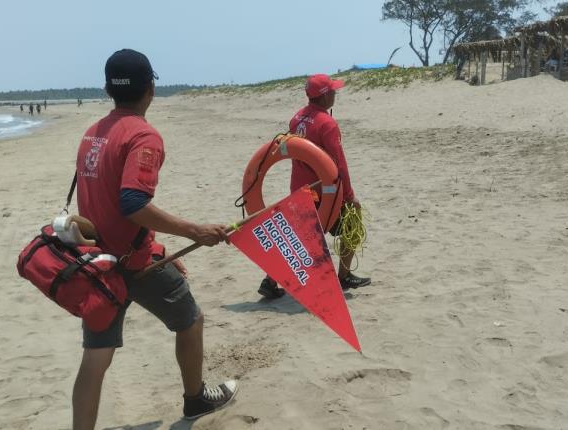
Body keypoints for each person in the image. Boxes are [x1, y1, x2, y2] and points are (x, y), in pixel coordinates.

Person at [72, 49, 237, 429]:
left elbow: (104, 205)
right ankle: (195, 401)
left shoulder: (92, 134)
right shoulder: (143, 135)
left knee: (96, 357)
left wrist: (159, 244)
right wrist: (196, 231)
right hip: (133, 265)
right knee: (191, 320)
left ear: (107, 89)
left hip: (97, 263)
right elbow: (131, 203)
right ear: (150, 88)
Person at [258, 74, 371, 299]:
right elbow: (339, 163)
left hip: (299, 189)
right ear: (324, 95)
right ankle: (344, 276)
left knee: (297, 236)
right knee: (353, 221)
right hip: (323, 192)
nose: (335, 94)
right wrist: (349, 195)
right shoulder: (327, 124)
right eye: (333, 91)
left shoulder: (297, 118)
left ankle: (269, 281)